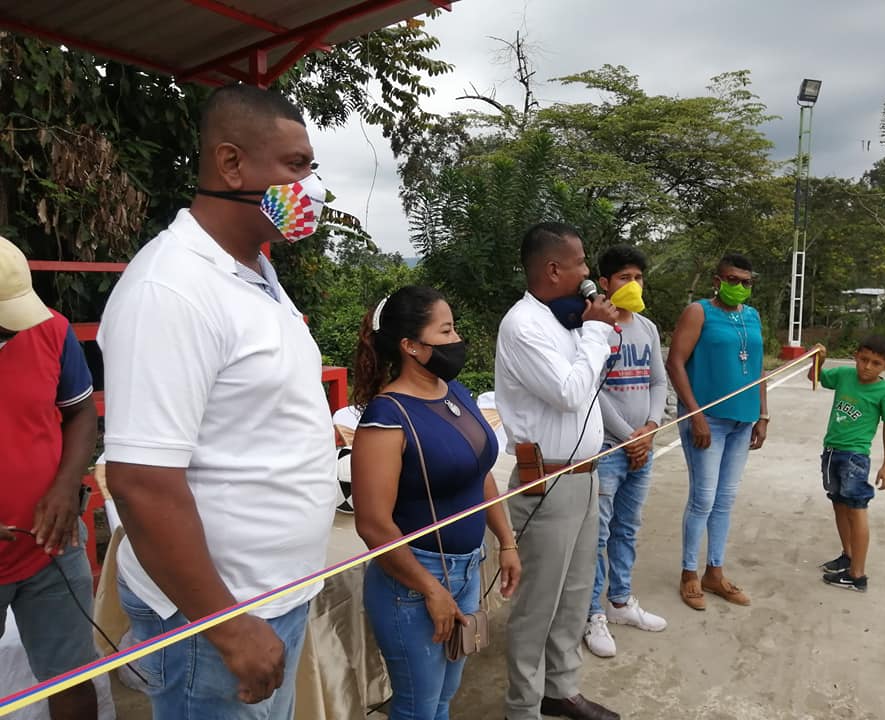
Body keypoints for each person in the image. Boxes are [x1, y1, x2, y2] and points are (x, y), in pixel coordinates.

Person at [97, 83, 338, 719]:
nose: (311, 187)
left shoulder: (256, 274)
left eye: (310, 167)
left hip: (270, 598)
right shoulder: (171, 290)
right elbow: (142, 483)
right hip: (217, 620)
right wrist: (227, 626)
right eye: (295, 165)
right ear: (231, 164)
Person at [350, 285, 521, 720]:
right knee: (417, 707)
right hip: (412, 584)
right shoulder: (387, 417)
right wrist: (430, 589)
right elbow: (373, 524)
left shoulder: (454, 391)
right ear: (411, 346)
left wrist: (506, 540)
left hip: (466, 570)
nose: (456, 339)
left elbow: (478, 472)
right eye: (445, 331)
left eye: (453, 328)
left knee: (444, 695)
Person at [496, 222, 620, 720]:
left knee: (574, 594)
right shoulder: (523, 326)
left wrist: (593, 331)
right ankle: (523, 707)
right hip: (545, 482)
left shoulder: (565, 319)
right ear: (552, 269)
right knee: (538, 604)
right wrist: (596, 332)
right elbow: (569, 392)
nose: (589, 271)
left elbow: (586, 388)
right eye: (581, 262)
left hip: (585, 476)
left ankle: (561, 688)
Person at [0, 236, 99, 720]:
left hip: (51, 547)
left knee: (74, 681)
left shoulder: (51, 330)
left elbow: (80, 413)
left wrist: (64, 485)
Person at [666, 253, 769, 611]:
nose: (739, 286)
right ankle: (688, 573)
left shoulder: (752, 316)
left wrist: (763, 414)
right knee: (703, 498)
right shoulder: (699, 312)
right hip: (708, 421)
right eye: (732, 279)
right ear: (717, 280)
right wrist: (695, 414)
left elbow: (758, 368)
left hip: (743, 420)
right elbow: (675, 362)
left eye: (746, 281)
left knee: (725, 499)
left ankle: (715, 571)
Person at [582, 245, 667, 659]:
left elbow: (658, 382)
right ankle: (592, 613)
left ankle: (620, 601)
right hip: (607, 448)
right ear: (604, 283)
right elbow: (593, 390)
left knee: (627, 527)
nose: (633, 285)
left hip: (642, 446)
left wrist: (650, 428)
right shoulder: (596, 329)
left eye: (638, 278)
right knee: (597, 534)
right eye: (624, 278)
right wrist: (627, 437)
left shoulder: (647, 328)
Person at [809, 336, 885, 592]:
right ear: (856, 356)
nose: (867, 367)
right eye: (863, 359)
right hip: (831, 452)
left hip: (855, 457)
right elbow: (815, 377)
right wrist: (819, 359)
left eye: (876, 363)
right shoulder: (844, 376)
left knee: (857, 509)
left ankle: (857, 575)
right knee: (838, 504)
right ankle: (847, 556)